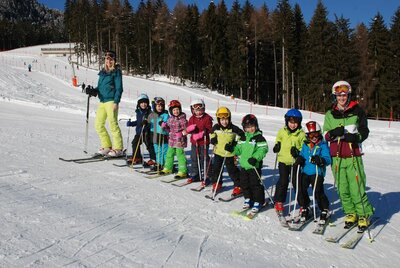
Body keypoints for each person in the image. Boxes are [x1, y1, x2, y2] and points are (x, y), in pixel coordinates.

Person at [323, 80, 374, 232]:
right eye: (339, 95)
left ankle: (363, 214)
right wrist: (332, 133)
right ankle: (350, 212)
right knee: (342, 188)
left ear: (349, 95)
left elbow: (365, 130)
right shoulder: (330, 114)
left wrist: (356, 137)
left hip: (353, 156)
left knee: (356, 187)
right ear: (335, 96)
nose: (342, 98)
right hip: (337, 157)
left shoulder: (357, 111)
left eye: (344, 95)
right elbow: (325, 135)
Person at [226, 114, 268, 213]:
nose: (250, 129)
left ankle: (258, 201)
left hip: (254, 166)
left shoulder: (259, 138)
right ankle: (248, 198)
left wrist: (255, 158)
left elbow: (263, 149)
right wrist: (232, 149)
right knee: (244, 184)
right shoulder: (243, 138)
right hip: (244, 166)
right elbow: (239, 149)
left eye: (252, 126)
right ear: (244, 128)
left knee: (255, 184)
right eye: (247, 127)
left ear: (256, 125)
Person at [293, 121, 331, 223]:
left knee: (317, 191)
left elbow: (328, 159)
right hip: (305, 171)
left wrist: (321, 160)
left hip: (317, 172)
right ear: (307, 135)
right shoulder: (305, 145)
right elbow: (302, 154)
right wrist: (300, 158)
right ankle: (305, 207)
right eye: (311, 135)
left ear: (320, 133)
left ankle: (324, 209)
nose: (314, 137)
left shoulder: (322, 145)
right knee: (301, 189)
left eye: (316, 134)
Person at [272, 109, 306, 216]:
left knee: (297, 183)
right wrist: (277, 146)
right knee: (282, 182)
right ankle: (278, 201)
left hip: (295, 162)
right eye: (291, 122)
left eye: (295, 122)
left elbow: (304, 149)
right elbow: (278, 140)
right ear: (286, 121)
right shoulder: (282, 131)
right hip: (283, 161)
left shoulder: (301, 134)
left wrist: (297, 153)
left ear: (299, 123)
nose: (293, 125)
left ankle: (303, 204)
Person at [91, 50, 124, 157]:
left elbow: (119, 88)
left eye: (111, 59)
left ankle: (118, 148)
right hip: (102, 101)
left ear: (114, 61)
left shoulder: (116, 72)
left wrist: (116, 101)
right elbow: (100, 87)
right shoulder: (103, 73)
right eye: (107, 59)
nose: (108, 61)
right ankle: (107, 146)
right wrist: (93, 91)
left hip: (111, 101)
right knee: (98, 124)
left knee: (113, 124)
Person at [209, 107, 244, 195]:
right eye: (222, 120)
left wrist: (234, 144)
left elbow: (242, 136)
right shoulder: (216, 127)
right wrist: (213, 139)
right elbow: (212, 133)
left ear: (229, 118)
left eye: (226, 119)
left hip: (229, 154)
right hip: (218, 152)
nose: (224, 122)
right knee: (216, 169)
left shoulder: (234, 128)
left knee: (232, 170)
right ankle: (217, 183)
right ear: (218, 120)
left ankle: (239, 185)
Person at [185, 99, 213, 186]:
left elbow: (210, 129)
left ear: (203, 109)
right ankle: (195, 173)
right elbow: (188, 128)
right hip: (195, 142)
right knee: (194, 157)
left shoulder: (207, 118)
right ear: (193, 110)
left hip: (204, 142)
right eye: (196, 110)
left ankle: (207, 175)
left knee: (204, 158)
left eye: (200, 110)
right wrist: (189, 129)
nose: (198, 112)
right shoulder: (192, 118)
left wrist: (203, 132)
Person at [159, 100, 188, 178]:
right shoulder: (170, 119)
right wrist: (164, 125)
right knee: (169, 154)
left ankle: (182, 171)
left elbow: (186, 129)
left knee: (180, 155)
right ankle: (168, 168)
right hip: (171, 140)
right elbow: (168, 129)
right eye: (174, 110)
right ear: (171, 111)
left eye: (177, 109)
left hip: (179, 141)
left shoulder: (182, 119)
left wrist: (182, 133)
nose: (176, 111)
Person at [126, 93, 156, 166]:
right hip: (139, 132)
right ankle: (137, 157)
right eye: (141, 103)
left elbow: (152, 121)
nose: (143, 104)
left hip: (146, 132)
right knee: (135, 143)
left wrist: (147, 123)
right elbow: (138, 122)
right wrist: (132, 123)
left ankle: (154, 159)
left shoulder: (149, 112)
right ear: (139, 104)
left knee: (149, 145)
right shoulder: (138, 112)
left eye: (145, 102)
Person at [148, 97, 169, 171]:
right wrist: (145, 122)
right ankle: (159, 163)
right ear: (154, 106)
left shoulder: (165, 115)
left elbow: (168, 123)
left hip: (163, 135)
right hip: (154, 135)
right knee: (158, 151)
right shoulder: (152, 114)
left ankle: (167, 164)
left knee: (165, 151)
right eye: (158, 106)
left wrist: (163, 123)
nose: (160, 108)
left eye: (161, 106)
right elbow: (148, 121)